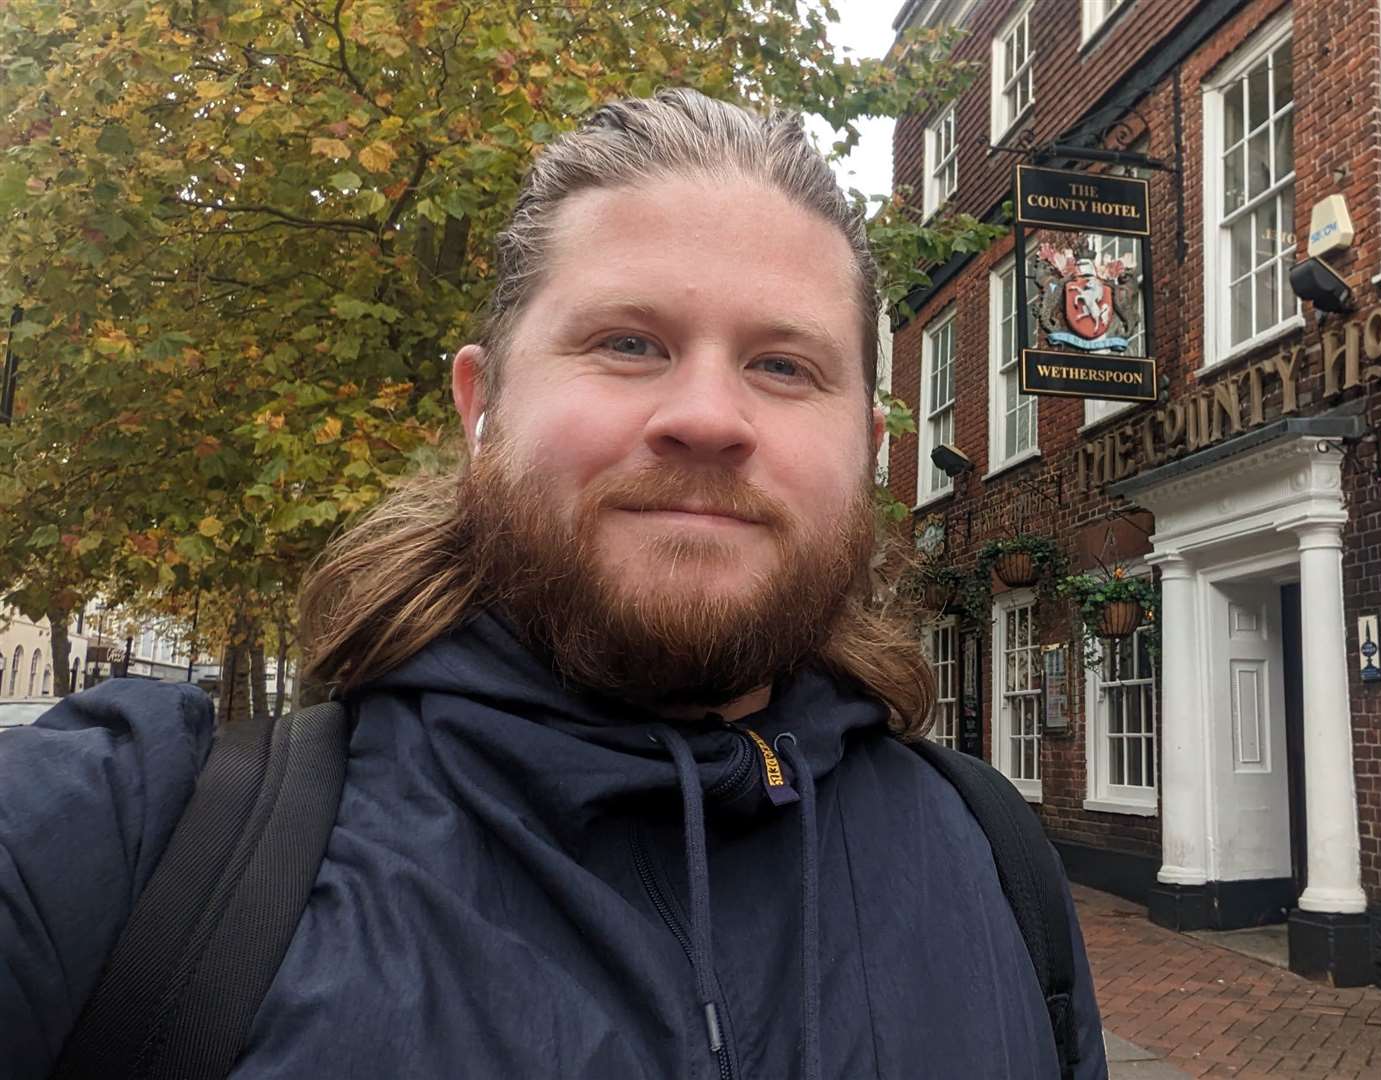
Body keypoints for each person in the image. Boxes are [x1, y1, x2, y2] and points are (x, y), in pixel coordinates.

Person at [0, 88, 1107, 1079]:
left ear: (868, 446)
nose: (709, 419)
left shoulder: (996, 861)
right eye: (629, 343)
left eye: (782, 365)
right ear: (482, 410)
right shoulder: (141, 837)